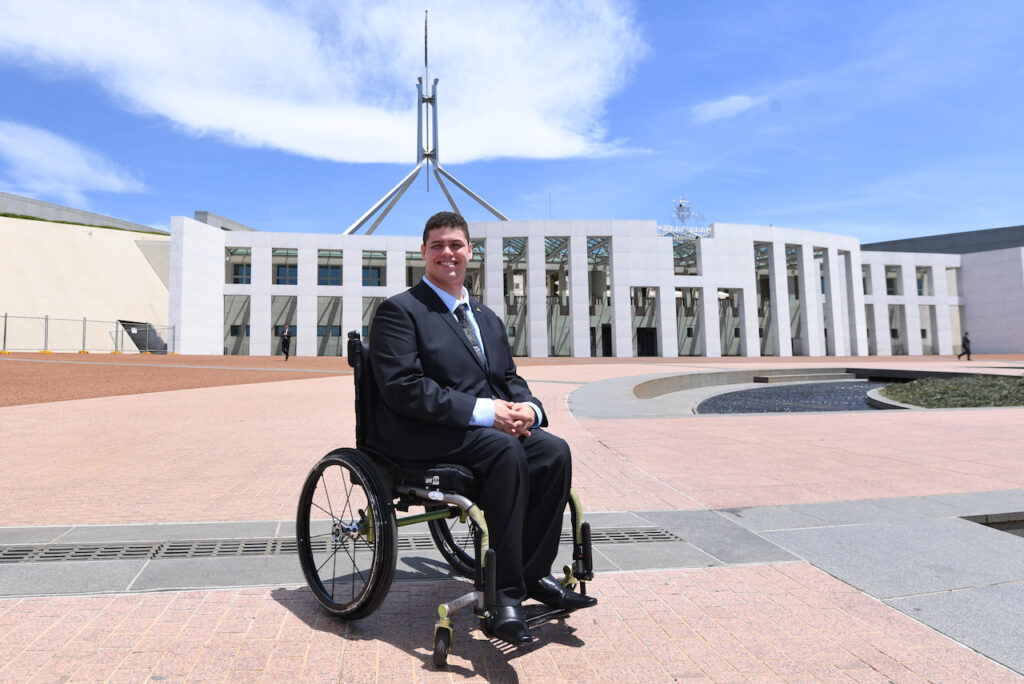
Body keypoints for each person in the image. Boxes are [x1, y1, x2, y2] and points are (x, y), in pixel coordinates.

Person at [368, 211, 595, 647]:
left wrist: (529, 408)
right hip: (421, 432)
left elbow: (508, 378)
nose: (447, 253)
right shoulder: (401, 311)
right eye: (437, 246)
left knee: (553, 451)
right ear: (423, 253)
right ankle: (503, 599)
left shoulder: (486, 318)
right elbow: (405, 390)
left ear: (470, 252)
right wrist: (488, 413)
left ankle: (533, 574)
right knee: (504, 452)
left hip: (480, 430)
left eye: (456, 245)